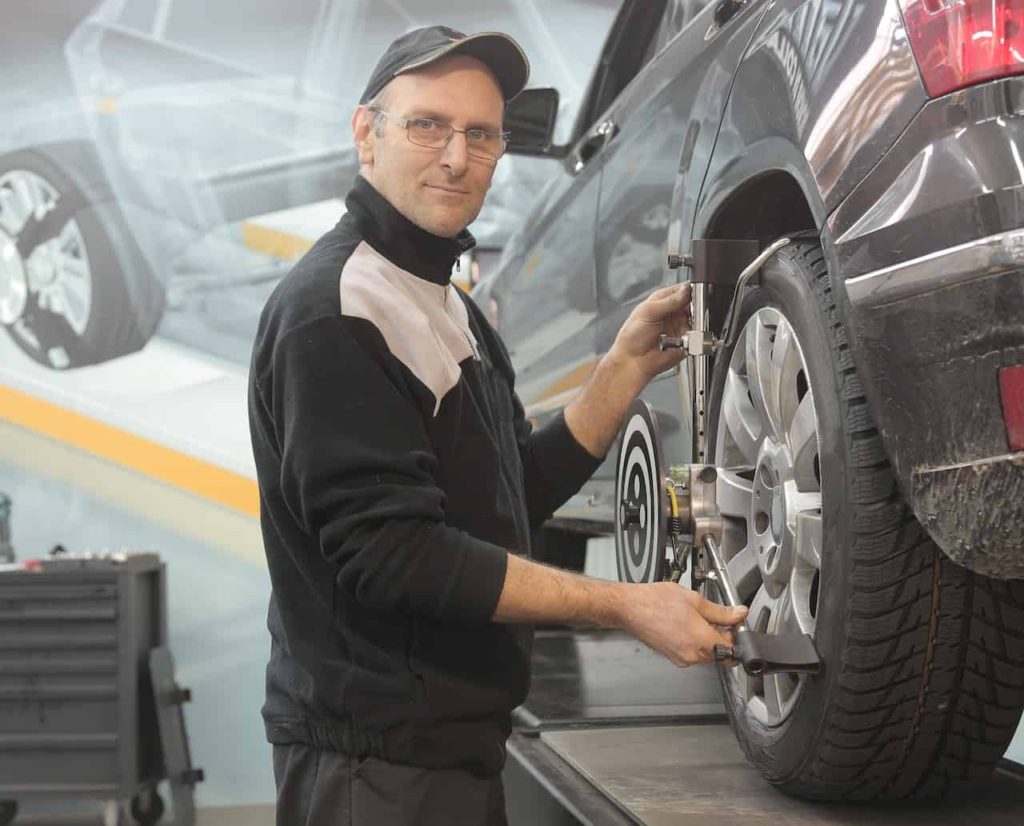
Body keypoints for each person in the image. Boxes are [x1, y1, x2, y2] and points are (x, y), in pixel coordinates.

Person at [247, 25, 748, 826]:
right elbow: (395, 555)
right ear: (364, 133)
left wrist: (618, 372)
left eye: (481, 135)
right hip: (374, 769)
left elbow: (513, 492)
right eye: (427, 125)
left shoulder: (452, 309)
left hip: (451, 752)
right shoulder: (335, 310)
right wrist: (622, 605)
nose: (456, 157)